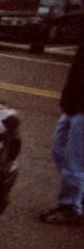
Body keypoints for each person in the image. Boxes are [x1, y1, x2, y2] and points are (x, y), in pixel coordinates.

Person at [40, 42, 84, 224]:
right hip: (72, 106)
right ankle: (77, 197)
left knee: (74, 161)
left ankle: (70, 207)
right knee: (59, 152)